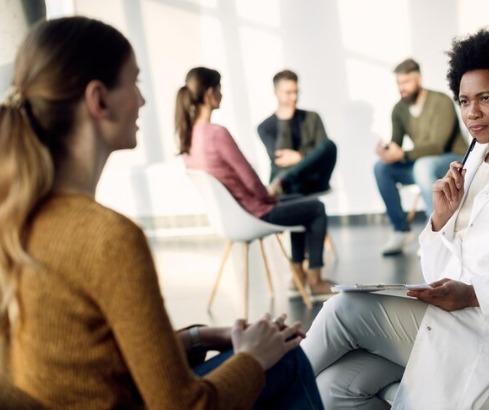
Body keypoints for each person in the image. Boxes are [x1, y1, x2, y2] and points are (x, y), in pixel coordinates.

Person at [0, 16, 324, 410]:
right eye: (134, 82)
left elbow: (92, 356)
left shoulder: (15, 217)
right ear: (98, 99)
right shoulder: (106, 238)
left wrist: (201, 337)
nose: (143, 100)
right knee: (285, 358)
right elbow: (184, 406)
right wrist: (253, 358)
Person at [301, 28, 489, 409]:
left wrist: (474, 294)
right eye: (465, 100)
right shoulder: (472, 165)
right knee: (333, 387)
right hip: (447, 314)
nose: (472, 112)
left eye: (486, 98)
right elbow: (438, 268)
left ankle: (257, 388)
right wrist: (439, 221)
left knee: (345, 310)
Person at [177, 67, 335, 298]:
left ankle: (299, 275)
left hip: (234, 214)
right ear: (210, 93)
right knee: (316, 208)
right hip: (254, 211)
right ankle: (315, 280)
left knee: (300, 201)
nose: (222, 94)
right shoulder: (217, 133)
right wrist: (269, 196)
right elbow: (248, 177)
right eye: (219, 88)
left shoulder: (189, 136)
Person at [375, 58, 469, 256]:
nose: (403, 88)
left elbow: (437, 145)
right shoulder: (399, 109)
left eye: (407, 82)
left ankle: (435, 230)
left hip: (451, 159)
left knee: (422, 166)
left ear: (419, 79)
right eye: (399, 83)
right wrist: (388, 151)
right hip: (422, 164)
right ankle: (400, 230)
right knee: (381, 168)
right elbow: (397, 143)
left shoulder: (440, 101)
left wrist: (403, 154)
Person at [257, 69, 337, 196]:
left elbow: (322, 153)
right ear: (276, 92)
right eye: (288, 93)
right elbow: (281, 159)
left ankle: (286, 180)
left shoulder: (312, 117)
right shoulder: (265, 127)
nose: (294, 97)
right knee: (287, 180)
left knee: (329, 145)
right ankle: (286, 181)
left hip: (312, 178)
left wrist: (300, 156)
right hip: (287, 182)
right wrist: (284, 121)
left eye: (296, 92)